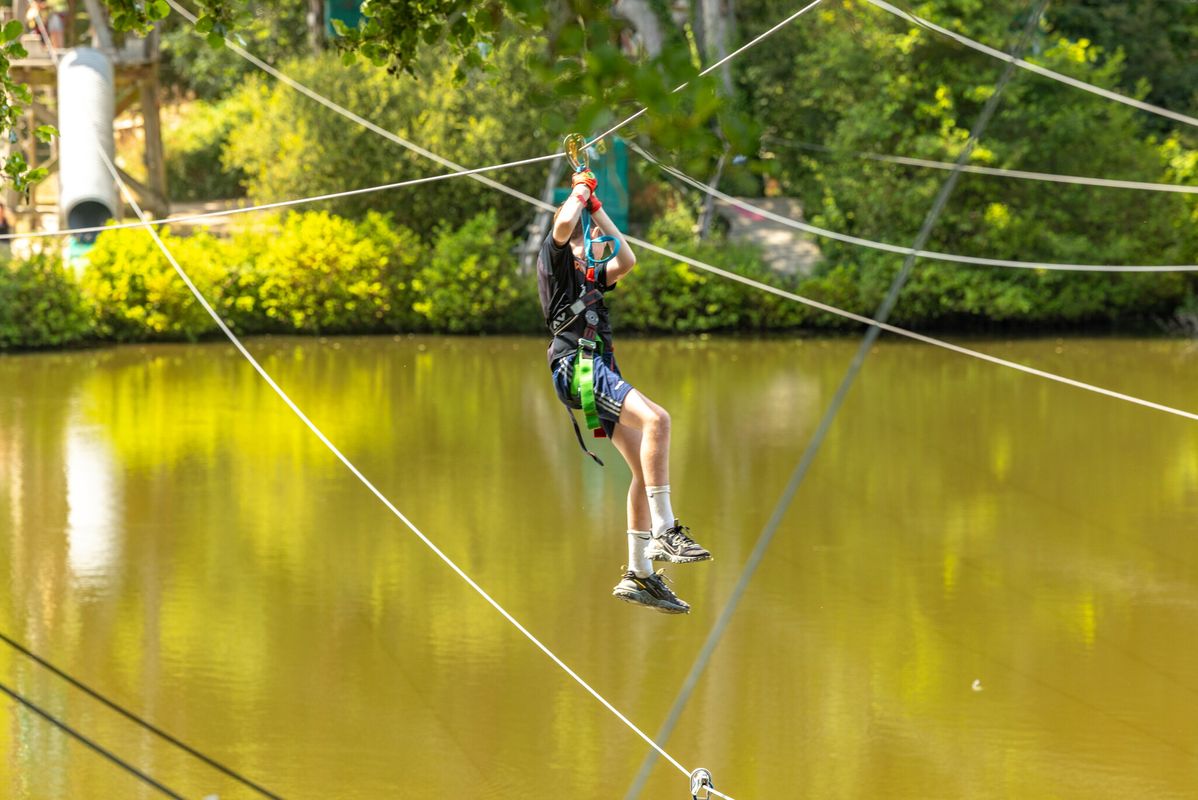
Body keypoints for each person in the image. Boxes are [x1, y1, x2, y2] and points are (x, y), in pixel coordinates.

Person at [536, 167, 712, 614]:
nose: (597, 240)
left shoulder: (592, 278)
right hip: (578, 368)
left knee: (641, 470)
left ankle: (639, 574)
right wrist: (579, 191)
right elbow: (562, 223)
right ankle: (665, 530)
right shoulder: (557, 262)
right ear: (573, 244)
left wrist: (598, 210)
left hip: (594, 369)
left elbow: (628, 258)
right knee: (658, 420)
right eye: (589, 237)